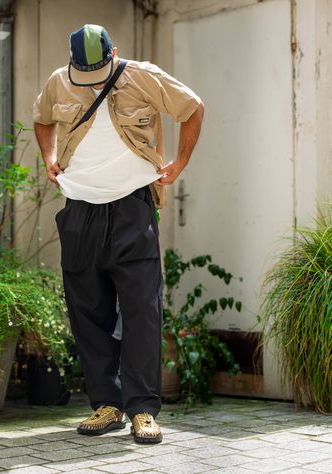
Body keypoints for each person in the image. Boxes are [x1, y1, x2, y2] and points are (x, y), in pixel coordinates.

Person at [33, 24, 204, 444]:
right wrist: (50, 158)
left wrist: (179, 162)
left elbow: (193, 107)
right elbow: (42, 118)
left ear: (114, 54)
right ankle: (106, 405)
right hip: (80, 209)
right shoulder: (59, 81)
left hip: (132, 207)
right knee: (87, 311)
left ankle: (143, 410)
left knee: (143, 310)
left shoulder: (143, 75)